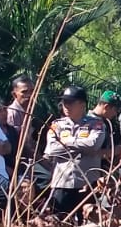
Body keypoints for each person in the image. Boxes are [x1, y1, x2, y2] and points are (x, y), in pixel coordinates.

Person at [43, 86, 109, 219]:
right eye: (64, 102)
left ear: (82, 105)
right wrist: (79, 145)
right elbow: (52, 149)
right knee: (59, 223)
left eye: (70, 102)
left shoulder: (96, 124)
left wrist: (65, 141)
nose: (65, 106)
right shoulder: (56, 125)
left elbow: (93, 144)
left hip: (87, 183)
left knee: (88, 223)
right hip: (62, 183)